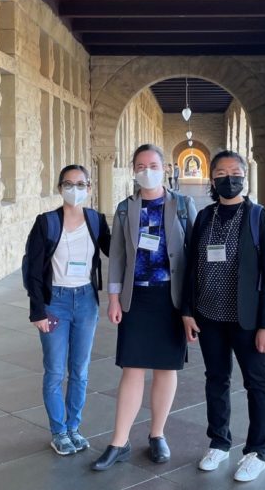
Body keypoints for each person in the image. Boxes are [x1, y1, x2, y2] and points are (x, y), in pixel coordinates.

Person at [92, 144, 197, 470]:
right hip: (136, 297)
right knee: (132, 368)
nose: (146, 170)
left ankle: (157, 434)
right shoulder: (126, 208)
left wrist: (193, 307)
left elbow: (195, 255)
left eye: (152, 164)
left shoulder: (182, 204)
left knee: (166, 368)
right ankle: (118, 441)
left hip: (172, 298)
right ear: (133, 170)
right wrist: (112, 298)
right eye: (140, 165)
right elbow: (119, 256)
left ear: (165, 168)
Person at [182, 150, 265, 482]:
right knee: (216, 379)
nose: (228, 178)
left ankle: (257, 452)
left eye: (234, 172)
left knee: (256, 382)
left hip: (247, 320)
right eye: (221, 173)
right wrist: (187, 311)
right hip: (209, 315)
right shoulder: (205, 217)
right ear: (212, 179)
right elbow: (191, 266)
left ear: (244, 177)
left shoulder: (260, 218)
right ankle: (219, 442)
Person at [24, 164, 111, 456]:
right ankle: (58, 431)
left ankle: (74, 427)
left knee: (80, 370)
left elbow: (117, 251)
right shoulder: (46, 222)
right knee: (55, 370)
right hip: (55, 302)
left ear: (89, 188)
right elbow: (32, 269)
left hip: (86, 300)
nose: (75, 189)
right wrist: (37, 310)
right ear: (60, 188)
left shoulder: (96, 220)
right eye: (69, 184)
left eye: (81, 184)